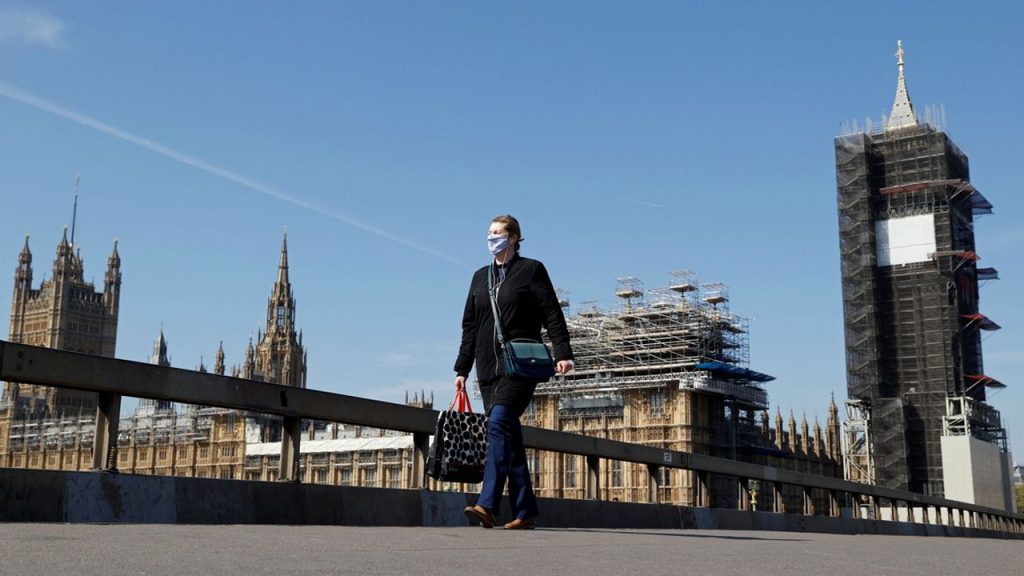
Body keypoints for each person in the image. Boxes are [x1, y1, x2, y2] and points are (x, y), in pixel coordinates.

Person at [454, 214, 574, 530]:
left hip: (520, 366)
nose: (492, 238)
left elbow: (552, 313)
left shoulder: (531, 270)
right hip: (487, 369)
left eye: (498, 233)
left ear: (514, 237)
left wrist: (563, 352)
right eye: (489, 233)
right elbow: (470, 326)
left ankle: (487, 504)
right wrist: (462, 368)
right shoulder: (480, 277)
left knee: (497, 424)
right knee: (509, 436)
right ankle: (525, 511)